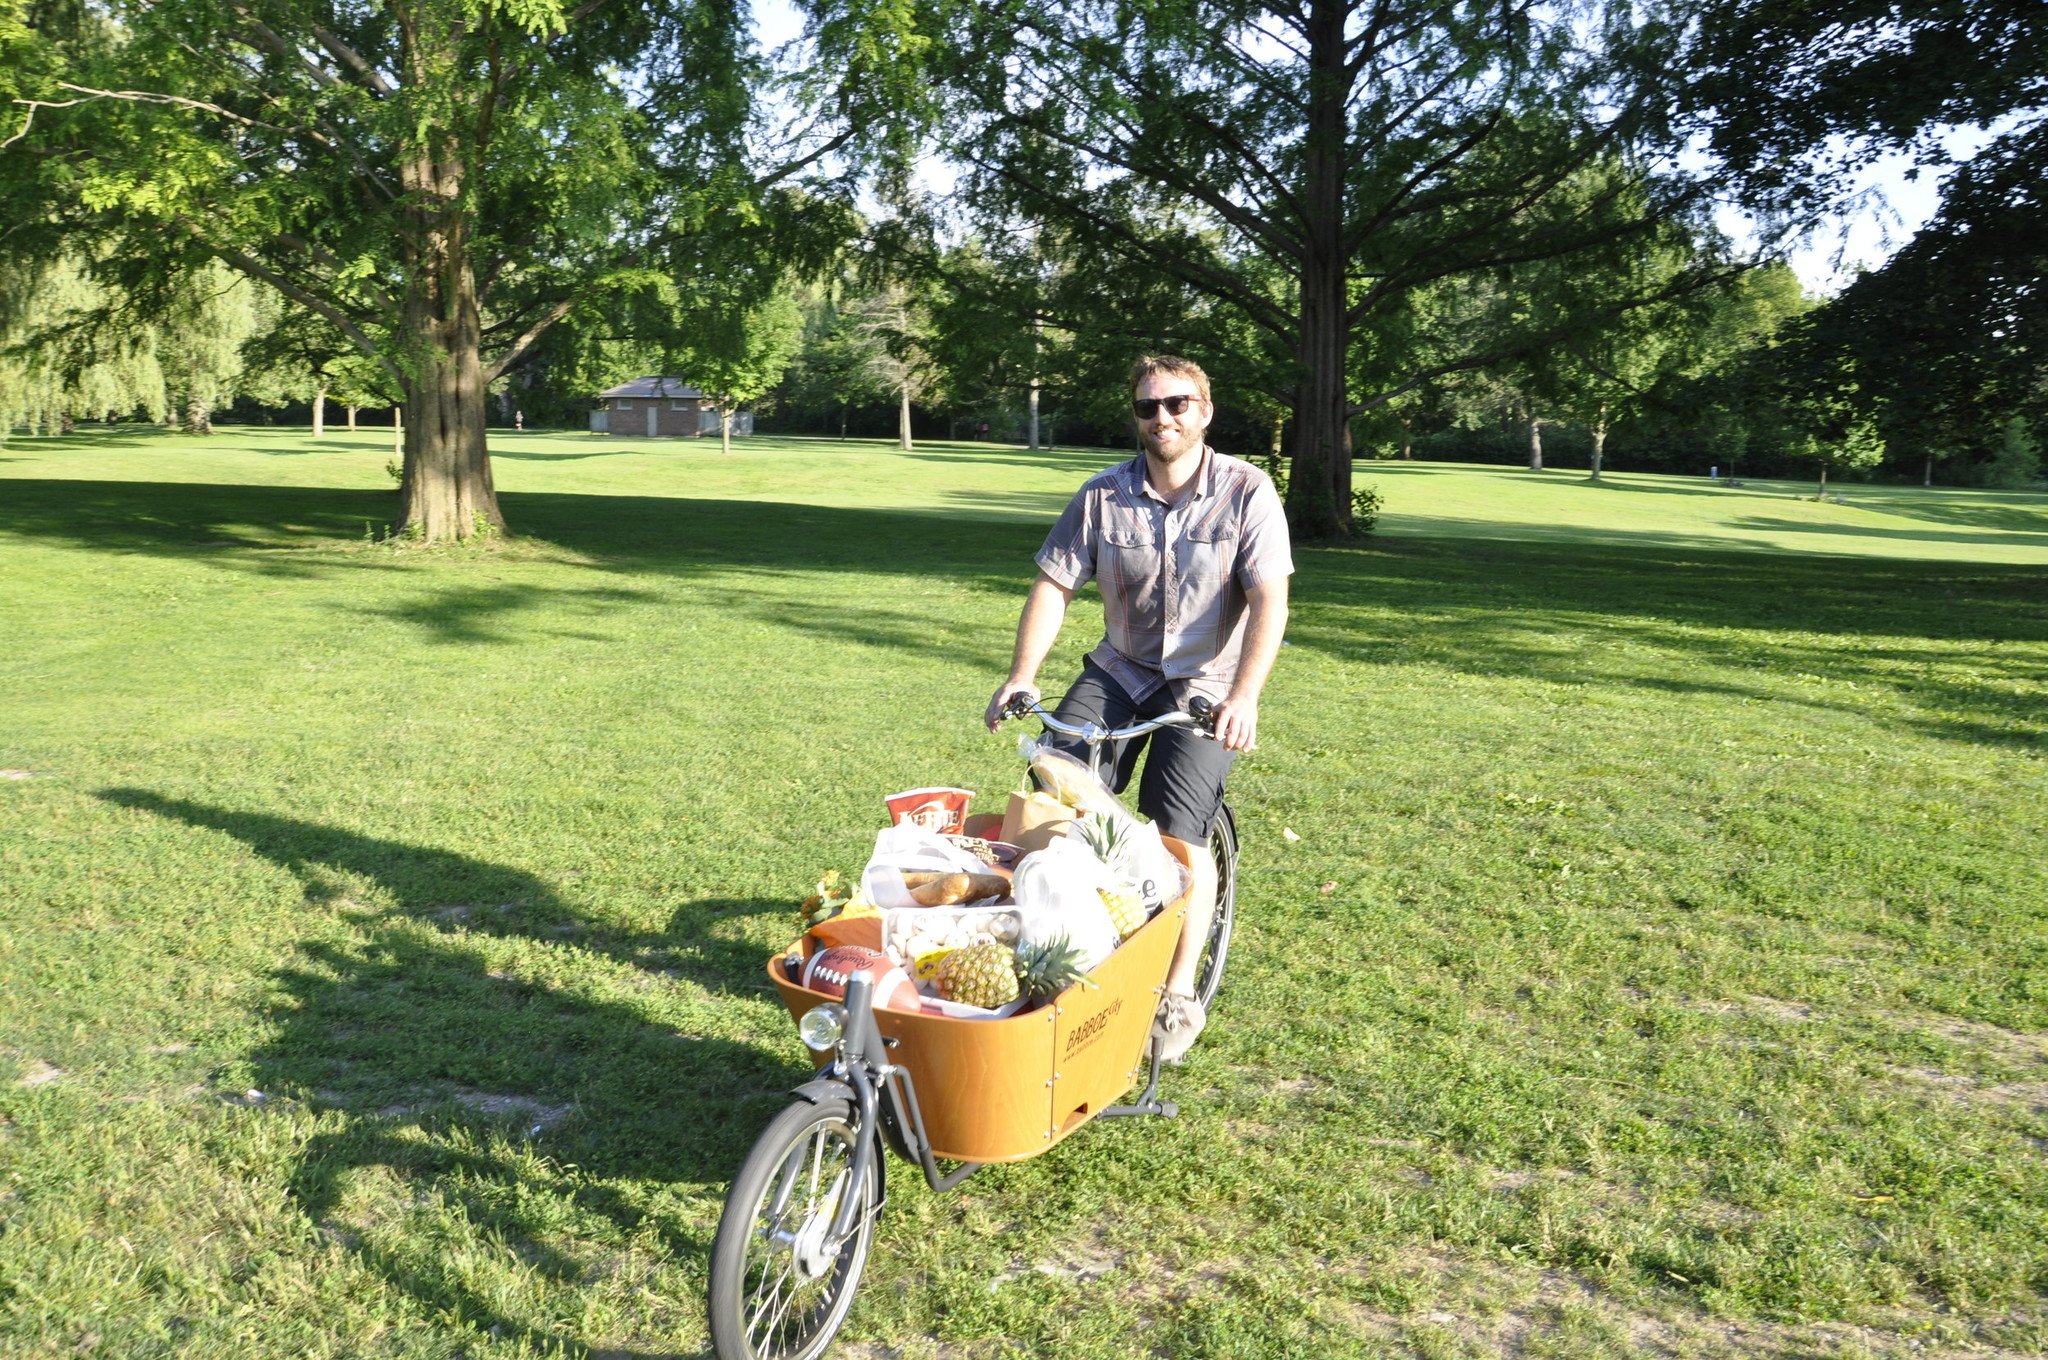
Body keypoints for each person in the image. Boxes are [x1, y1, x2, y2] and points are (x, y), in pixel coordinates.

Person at [984, 354, 1292, 1061]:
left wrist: (1245, 697)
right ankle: (1063, 935)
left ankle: (1178, 990)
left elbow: (1271, 599)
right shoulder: (1102, 496)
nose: (1163, 418)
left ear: (1205, 410)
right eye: (1149, 407)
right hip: (1122, 668)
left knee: (1180, 831)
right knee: (1053, 783)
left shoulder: (1247, 491)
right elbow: (1053, 586)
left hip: (1208, 680)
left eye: (1178, 404)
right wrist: (1020, 674)